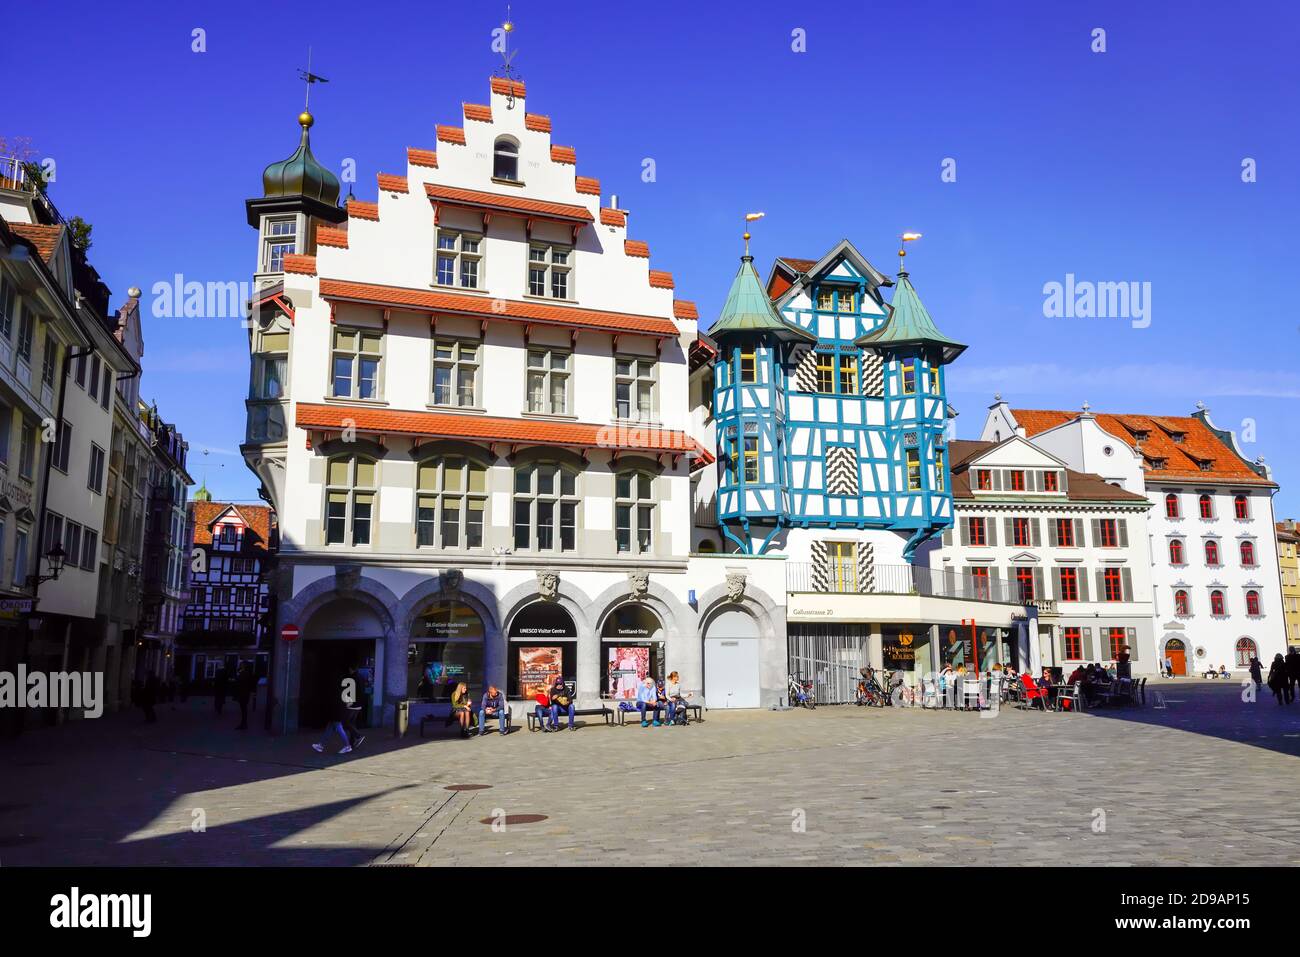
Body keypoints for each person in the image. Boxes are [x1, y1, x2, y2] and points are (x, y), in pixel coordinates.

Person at [312, 669, 357, 754]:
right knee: (330, 728)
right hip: (337, 711)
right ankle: (321, 745)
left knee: (339, 728)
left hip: (335, 711)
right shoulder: (340, 686)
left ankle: (347, 746)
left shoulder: (333, 688)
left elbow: (333, 700)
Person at [233, 663, 255, 730]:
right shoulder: (247, 673)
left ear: (244, 666)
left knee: (243, 710)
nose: (240, 666)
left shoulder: (244, 673)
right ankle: (243, 724)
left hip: (243, 694)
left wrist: (237, 675)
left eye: (241, 665)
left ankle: (244, 724)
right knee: (243, 710)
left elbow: (239, 682)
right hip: (245, 694)